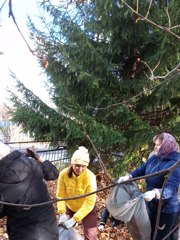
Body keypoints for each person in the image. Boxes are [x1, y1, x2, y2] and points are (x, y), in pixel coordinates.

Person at [118, 132, 180, 240]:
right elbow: (142, 169)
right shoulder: (155, 158)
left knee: (161, 237)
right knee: (150, 234)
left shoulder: (174, 164)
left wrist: (156, 193)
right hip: (152, 206)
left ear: (166, 146)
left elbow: (172, 188)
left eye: (158, 145)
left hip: (166, 210)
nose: (155, 147)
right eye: (155, 144)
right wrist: (129, 176)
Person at [0, 142, 59, 240]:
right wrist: (37, 156)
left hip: (24, 236)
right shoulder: (32, 164)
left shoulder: (1, 185)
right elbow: (53, 173)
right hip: (51, 231)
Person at [56, 146, 97, 240]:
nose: (80, 169)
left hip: (87, 210)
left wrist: (74, 219)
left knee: (91, 236)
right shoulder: (64, 174)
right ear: (72, 164)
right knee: (63, 231)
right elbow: (60, 195)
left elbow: (89, 202)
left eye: (83, 166)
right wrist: (62, 213)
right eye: (77, 165)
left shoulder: (90, 177)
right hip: (70, 207)